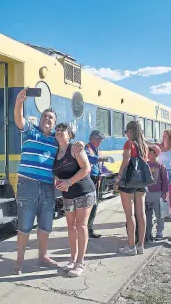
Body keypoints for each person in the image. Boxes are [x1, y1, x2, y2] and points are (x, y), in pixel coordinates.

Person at [12, 88, 82, 275]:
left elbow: (70, 144)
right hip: (27, 184)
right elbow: (19, 119)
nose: (47, 119)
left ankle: (42, 256)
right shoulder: (30, 131)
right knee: (25, 226)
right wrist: (19, 102)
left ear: (55, 123)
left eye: (51, 117)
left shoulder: (56, 140)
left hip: (48, 187)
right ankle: (19, 262)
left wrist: (80, 144)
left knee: (45, 225)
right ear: (40, 118)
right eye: (44, 116)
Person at [53, 123, 96, 277]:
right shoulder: (56, 151)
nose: (58, 132)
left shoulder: (75, 148)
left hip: (84, 192)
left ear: (69, 134)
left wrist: (69, 182)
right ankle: (72, 259)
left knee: (81, 225)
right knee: (71, 226)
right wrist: (57, 180)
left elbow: (86, 168)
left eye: (62, 130)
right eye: (57, 130)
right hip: (68, 196)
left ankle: (80, 262)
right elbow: (57, 172)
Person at [115, 121, 149, 256]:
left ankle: (131, 247)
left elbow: (125, 162)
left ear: (131, 131)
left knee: (129, 215)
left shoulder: (129, 144)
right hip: (141, 182)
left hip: (129, 182)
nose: (126, 134)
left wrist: (118, 179)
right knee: (141, 214)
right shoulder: (144, 145)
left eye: (126, 131)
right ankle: (140, 245)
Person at [85, 130, 114, 239]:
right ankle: (86, 229)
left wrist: (109, 171)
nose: (100, 142)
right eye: (98, 140)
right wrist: (103, 158)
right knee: (89, 205)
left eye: (101, 140)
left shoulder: (96, 150)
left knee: (94, 204)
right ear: (92, 138)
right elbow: (90, 159)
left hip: (97, 180)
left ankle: (89, 228)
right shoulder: (87, 148)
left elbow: (100, 166)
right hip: (89, 179)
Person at [153, 130, 171, 221]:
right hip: (157, 172)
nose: (163, 137)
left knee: (166, 194)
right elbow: (148, 143)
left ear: (170, 137)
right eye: (163, 135)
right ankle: (162, 212)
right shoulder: (159, 146)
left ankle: (167, 214)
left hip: (167, 172)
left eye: (165, 136)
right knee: (159, 193)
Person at [145, 145, 169, 241]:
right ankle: (148, 233)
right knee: (147, 216)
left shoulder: (160, 166)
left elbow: (165, 181)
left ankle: (159, 232)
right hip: (146, 195)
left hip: (158, 194)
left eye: (149, 153)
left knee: (159, 215)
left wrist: (164, 193)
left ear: (156, 154)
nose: (147, 155)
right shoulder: (145, 165)